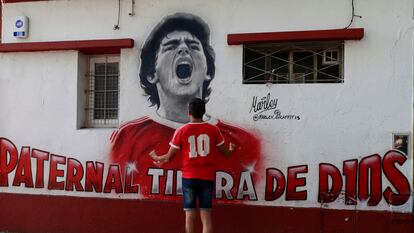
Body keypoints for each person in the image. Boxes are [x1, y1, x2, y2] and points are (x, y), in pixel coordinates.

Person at [110, 12, 262, 200]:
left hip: (191, 183)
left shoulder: (245, 141)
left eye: (193, 46)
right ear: (152, 74)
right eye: (171, 46)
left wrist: (159, 157)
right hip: (203, 183)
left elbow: (170, 155)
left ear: (208, 71)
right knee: (204, 215)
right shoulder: (127, 138)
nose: (183, 49)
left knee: (190, 214)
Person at [149, 98, 235, 233]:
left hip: (189, 179)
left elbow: (168, 157)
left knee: (189, 215)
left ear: (189, 113)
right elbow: (226, 154)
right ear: (204, 112)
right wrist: (232, 149)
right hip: (207, 179)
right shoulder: (214, 130)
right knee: (206, 216)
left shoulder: (181, 131)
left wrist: (156, 157)